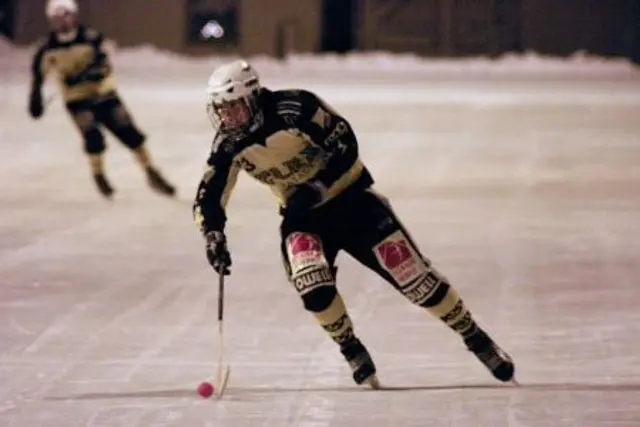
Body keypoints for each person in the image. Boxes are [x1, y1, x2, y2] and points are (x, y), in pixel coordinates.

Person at [193, 60, 515, 387]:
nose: (227, 117)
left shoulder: (295, 108)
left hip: (354, 204)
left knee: (417, 281)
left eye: (233, 107)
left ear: (252, 97)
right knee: (311, 286)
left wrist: (317, 185)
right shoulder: (228, 145)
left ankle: (474, 337)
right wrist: (212, 234)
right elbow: (209, 194)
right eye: (221, 110)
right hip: (303, 218)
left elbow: (345, 144)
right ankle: (350, 347)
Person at [27, 0, 176, 198]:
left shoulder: (91, 38)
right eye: (58, 17)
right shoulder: (47, 48)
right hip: (77, 99)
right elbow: (39, 75)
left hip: (103, 93)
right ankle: (99, 174)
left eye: (66, 15)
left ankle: (150, 171)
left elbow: (105, 62)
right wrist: (35, 98)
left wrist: (90, 73)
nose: (63, 21)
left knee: (130, 134)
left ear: (74, 15)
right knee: (93, 137)